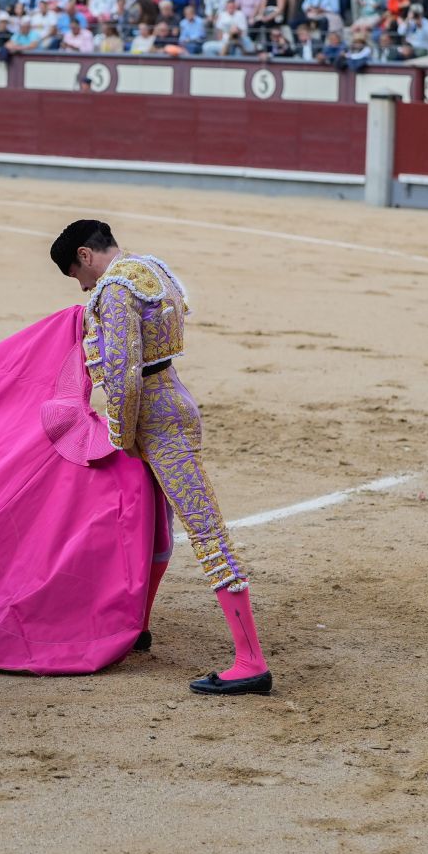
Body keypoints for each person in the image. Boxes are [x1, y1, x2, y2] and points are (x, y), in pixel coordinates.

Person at [52, 220, 272, 696]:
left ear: (86, 256)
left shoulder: (112, 290)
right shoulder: (150, 268)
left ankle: (251, 660)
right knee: (153, 526)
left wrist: (121, 433)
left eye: (76, 273)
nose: (82, 285)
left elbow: (125, 373)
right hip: (172, 396)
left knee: (205, 529)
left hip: (152, 416)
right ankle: (139, 627)